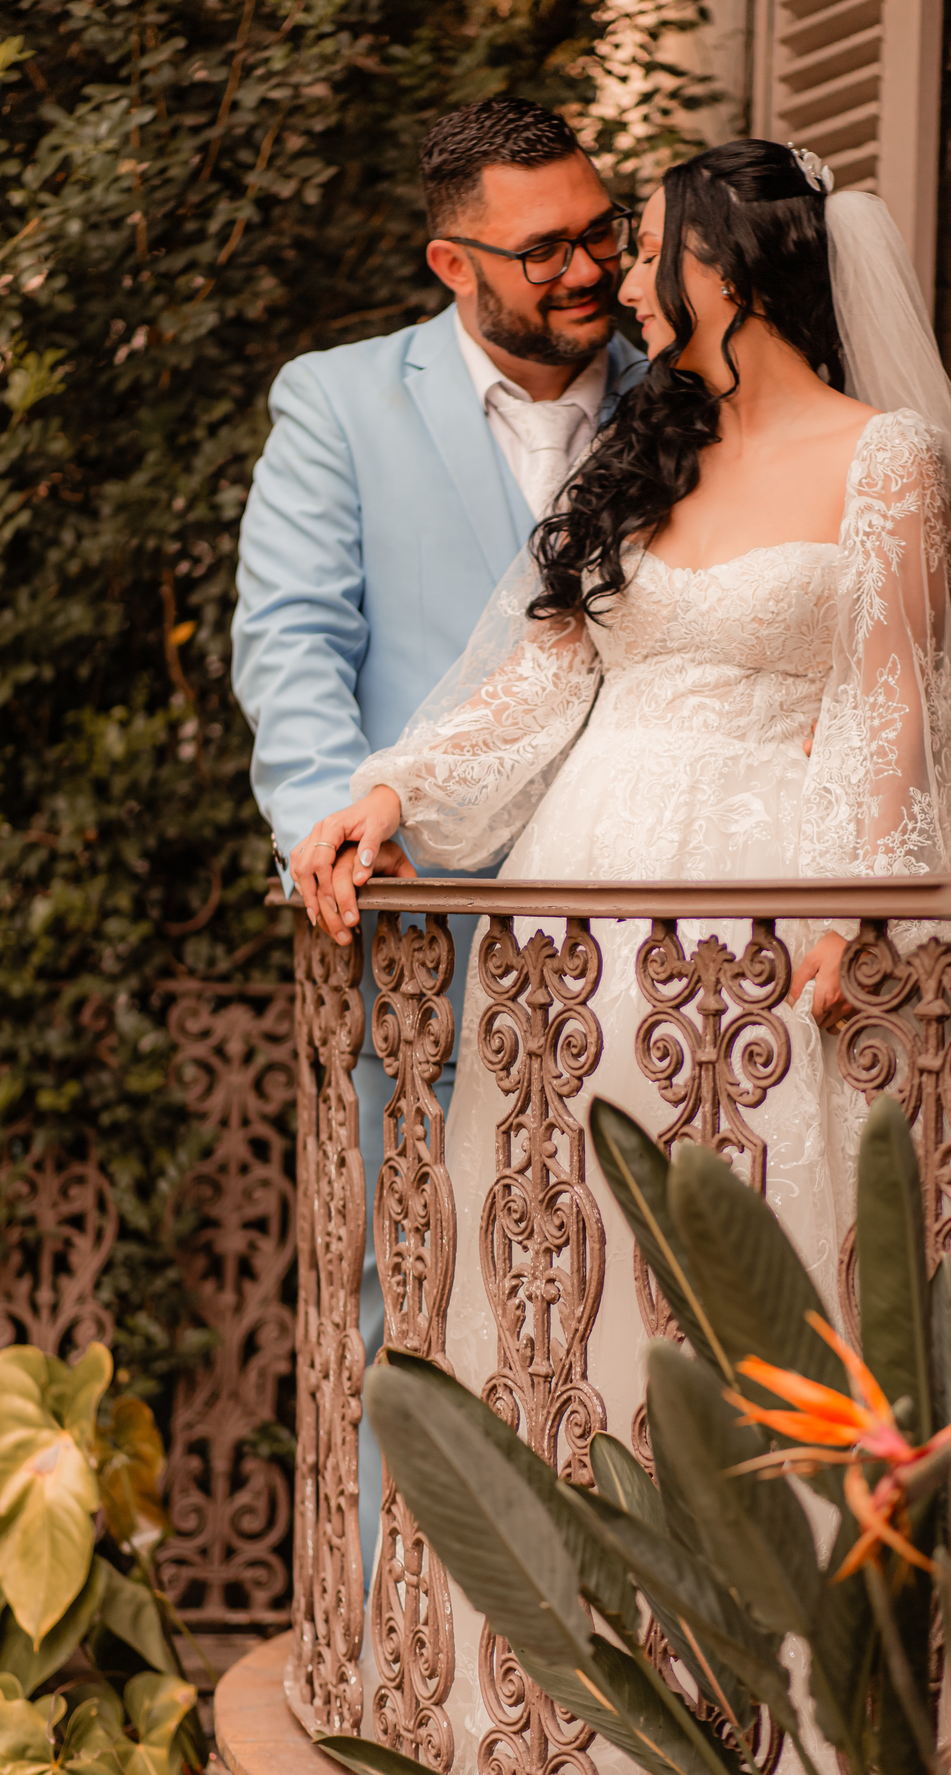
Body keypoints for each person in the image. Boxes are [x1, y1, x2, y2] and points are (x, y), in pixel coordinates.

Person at [290, 140, 951, 1771]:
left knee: (762, 1291)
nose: (619, 273)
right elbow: (539, 687)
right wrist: (384, 791)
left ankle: (810, 1703)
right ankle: (579, 1695)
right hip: (580, 937)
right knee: (576, 1289)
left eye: (649, 245)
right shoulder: (639, 445)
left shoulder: (889, 462)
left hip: (759, 950)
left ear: (727, 266)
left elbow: (895, 718)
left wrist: (842, 917)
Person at [231, 96, 645, 1580]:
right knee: (401, 1299)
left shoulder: (686, 399)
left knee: (621, 1306)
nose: (589, 268)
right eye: (547, 250)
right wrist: (331, 830)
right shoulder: (339, 402)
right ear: (450, 262)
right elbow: (289, 644)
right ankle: (396, 1650)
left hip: (651, 954)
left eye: (603, 230)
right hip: (421, 937)